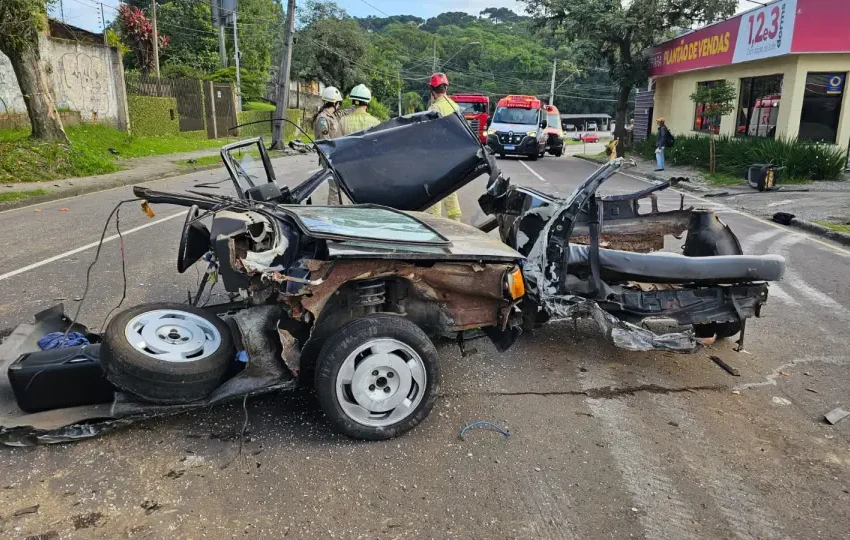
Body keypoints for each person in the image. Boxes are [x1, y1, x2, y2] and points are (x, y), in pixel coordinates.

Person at [425, 72, 462, 222]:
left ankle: (436, 224)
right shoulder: (455, 106)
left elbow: (428, 136)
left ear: (432, 91)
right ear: (445, 88)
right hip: (453, 157)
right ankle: (456, 222)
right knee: (451, 190)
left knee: (436, 192)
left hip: (437, 156)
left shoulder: (433, 109)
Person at [312, 86, 347, 205]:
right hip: (328, 157)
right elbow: (325, 141)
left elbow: (343, 113)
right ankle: (333, 213)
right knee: (334, 188)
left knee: (338, 187)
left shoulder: (332, 116)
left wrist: (355, 107)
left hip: (334, 156)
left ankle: (337, 212)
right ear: (335, 103)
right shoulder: (323, 119)